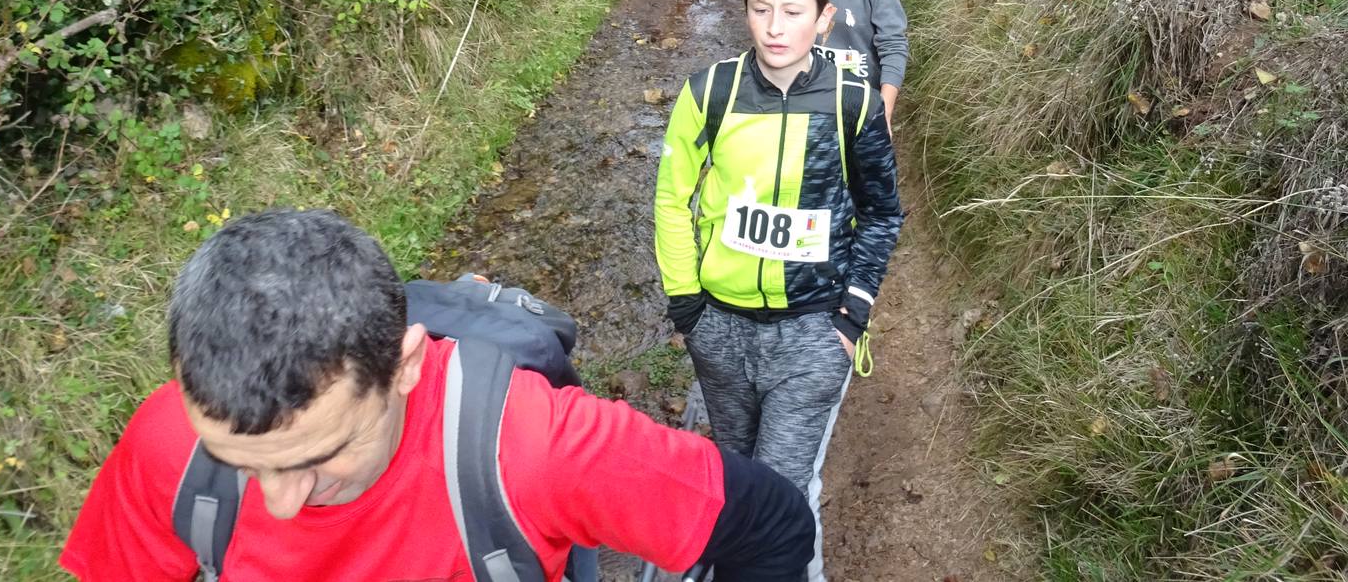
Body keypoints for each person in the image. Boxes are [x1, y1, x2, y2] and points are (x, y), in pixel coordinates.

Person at [60, 209, 814, 582]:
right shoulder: (169, 446)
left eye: (319, 457)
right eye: (242, 463)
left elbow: (772, 524)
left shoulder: (533, 449)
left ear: (407, 366)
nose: (282, 502)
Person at [654, 0, 903, 582]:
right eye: (762, 10)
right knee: (737, 477)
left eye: (792, 12)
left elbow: (881, 212)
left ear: (823, 18)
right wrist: (688, 306)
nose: (775, 27)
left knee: (781, 492)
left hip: (814, 331)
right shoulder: (711, 92)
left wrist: (852, 314)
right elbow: (672, 197)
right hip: (722, 328)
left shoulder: (853, 100)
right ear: (745, 10)